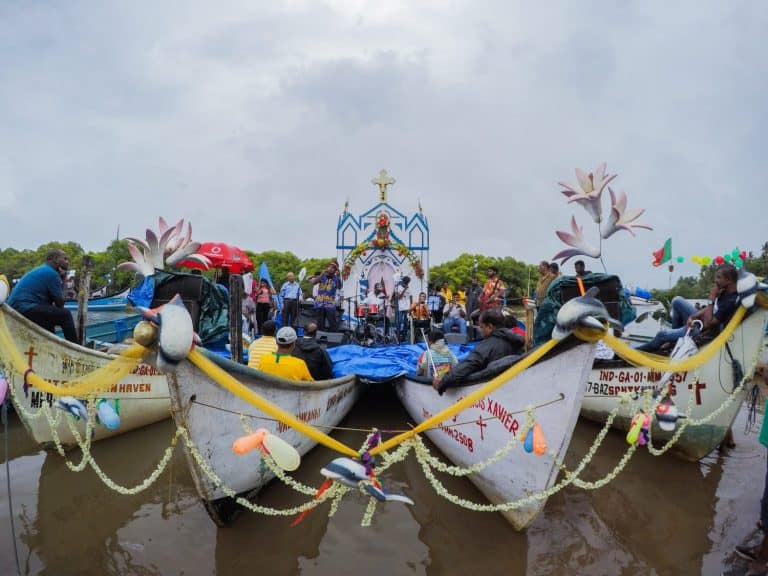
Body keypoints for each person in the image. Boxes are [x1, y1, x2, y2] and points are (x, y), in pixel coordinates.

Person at [636, 263, 739, 353]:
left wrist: (711, 298)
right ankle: (673, 341)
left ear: (728, 280)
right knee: (677, 300)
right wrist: (693, 317)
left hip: (701, 330)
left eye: (718, 277)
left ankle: (635, 353)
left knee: (661, 335)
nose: (715, 280)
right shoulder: (725, 292)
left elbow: (708, 324)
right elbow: (708, 309)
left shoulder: (730, 302)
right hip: (699, 321)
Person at [433, 309, 525, 395]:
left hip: (492, 393)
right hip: (514, 389)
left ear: (489, 327)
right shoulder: (518, 341)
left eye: (481, 327)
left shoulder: (486, 346)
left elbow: (468, 365)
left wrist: (443, 380)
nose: (480, 330)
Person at [7, 249, 78, 343]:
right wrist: (64, 279)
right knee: (66, 315)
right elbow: (60, 304)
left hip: (14, 309)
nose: (67, 261)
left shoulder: (43, 270)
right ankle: (76, 348)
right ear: (56, 259)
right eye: (65, 259)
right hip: (25, 307)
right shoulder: (52, 274)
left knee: (50, 319)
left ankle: (53, 347)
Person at [310, 261, 342, 332]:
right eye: (330, 267)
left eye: (333, 268)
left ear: (335, 270)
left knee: (332, 322)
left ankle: (333, 338)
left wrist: (338, 275)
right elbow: (313, 282)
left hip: (329, 304)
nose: (330, 268)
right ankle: (320, 339)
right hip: (319, 303)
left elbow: (340, 287)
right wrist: (321, 274)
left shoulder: (336, 279)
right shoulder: (322, 276)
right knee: (320, 323)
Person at [394, 276, 412, 342]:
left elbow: (410, 297)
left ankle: (404, 337)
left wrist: (411, 306)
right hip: (400, 308)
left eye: (408, 283)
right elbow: (399, 297)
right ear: (403, 282)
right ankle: (398, 337)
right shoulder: (398, 288)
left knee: (406, 323)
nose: (407, 284)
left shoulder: (409, 288)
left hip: (407, 308)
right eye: (406, 283)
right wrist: (404, 289)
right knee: (399, 322)